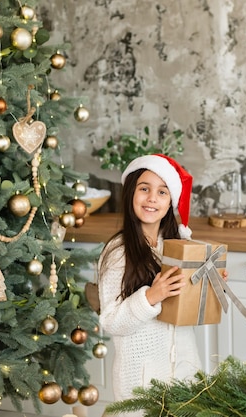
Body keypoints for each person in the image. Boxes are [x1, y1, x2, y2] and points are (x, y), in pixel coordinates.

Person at [97, 154, 204, 411]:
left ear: (170, 202)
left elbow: (186, 306)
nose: (152, 198)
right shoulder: (118, 252)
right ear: (131, 193)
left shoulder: (177, 248)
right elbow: (111, 321)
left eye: (162, 192)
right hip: (141, 380)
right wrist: (151, 296)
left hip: (185, 371)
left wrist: (206, 282)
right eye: (144, 189)